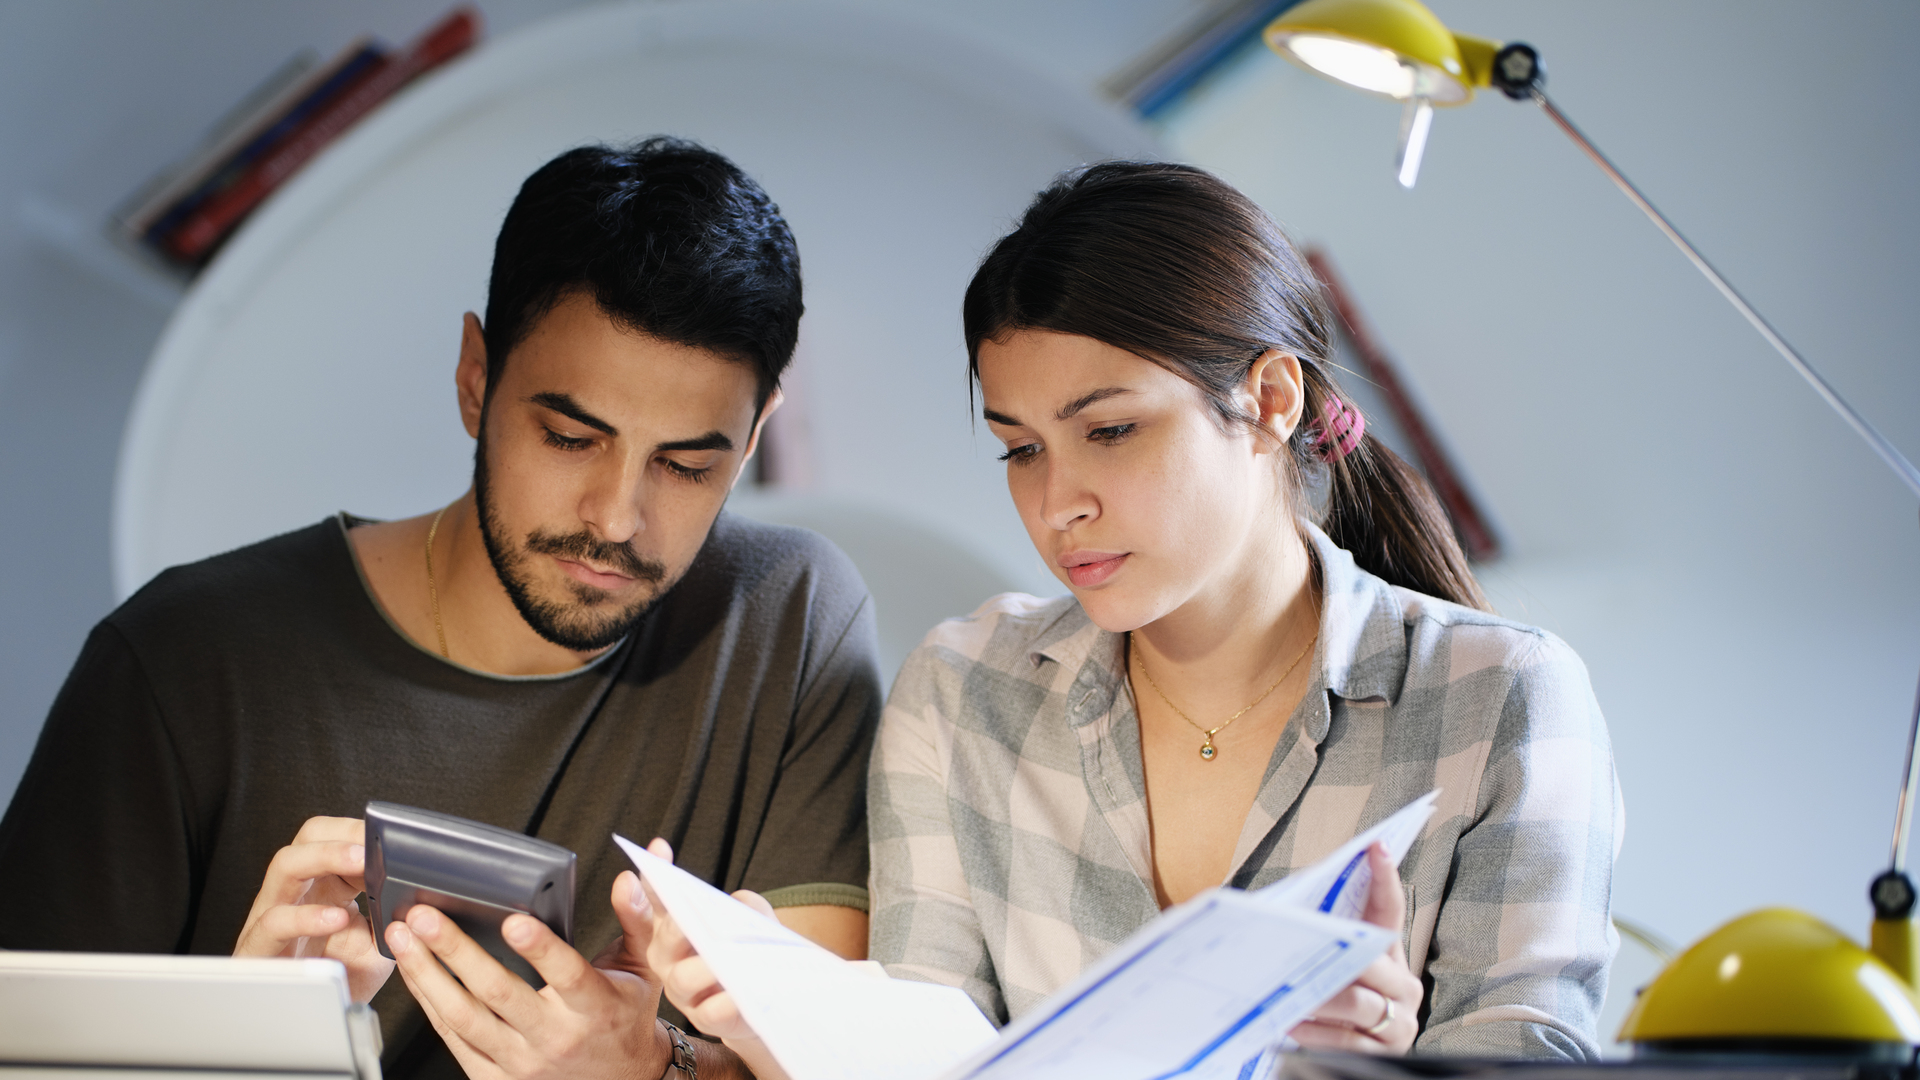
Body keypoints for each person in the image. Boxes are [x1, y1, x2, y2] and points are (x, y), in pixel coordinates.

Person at [650, 161, 1622, 1072]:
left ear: (1271, 399)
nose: (1057, 502)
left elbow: (1531, 1046)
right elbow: (933, 1050)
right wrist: (784, 1018)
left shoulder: (1500, 698)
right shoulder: (964, 690)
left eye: (1110, 430)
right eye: (1020, 449)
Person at [0, 139, 879, 1080]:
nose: (618, 519)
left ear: (753, 440)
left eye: (688, 465)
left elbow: (820, 1062)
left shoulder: (791, 621)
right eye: (571, 437)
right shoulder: (182, 661)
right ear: (475, 377)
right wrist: (241, 1051)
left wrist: (653, 1068)